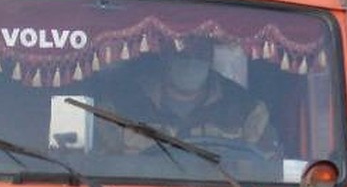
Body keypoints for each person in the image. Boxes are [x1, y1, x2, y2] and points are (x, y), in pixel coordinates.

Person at [98, 37, 280, 157]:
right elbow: (100, 168)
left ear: (210, 57)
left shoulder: (245, 109)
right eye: (183, 52)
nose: (192, 60)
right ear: (165, 55)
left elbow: (270, 169)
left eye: (200, 53)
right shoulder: (122, 104)